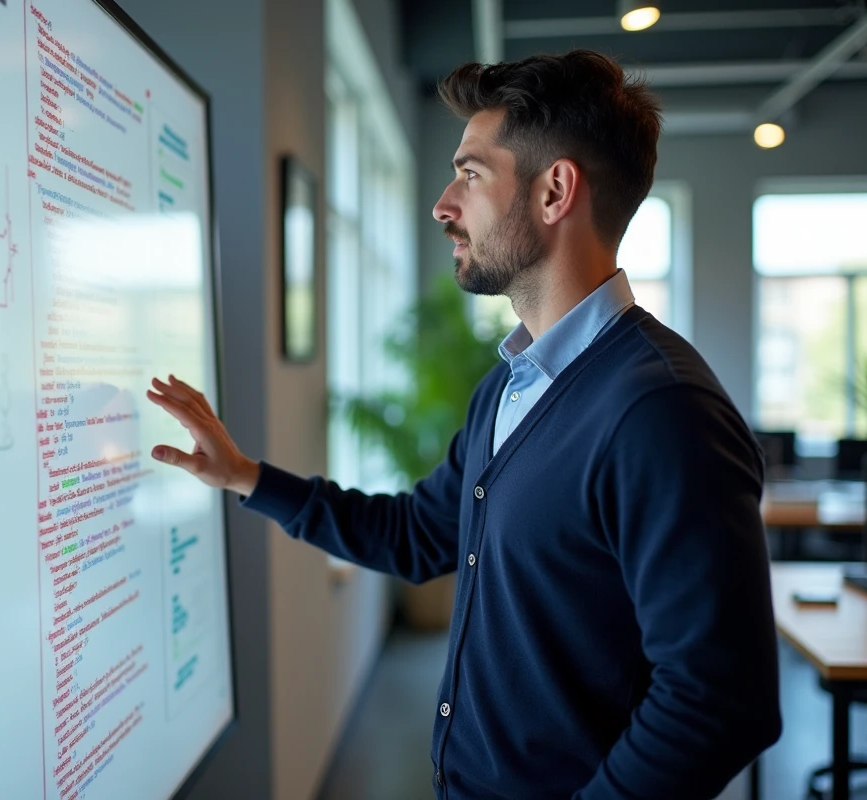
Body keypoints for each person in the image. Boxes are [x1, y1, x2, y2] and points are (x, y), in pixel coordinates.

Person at [147, 50, 781, 800]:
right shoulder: (507, 388)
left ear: (554, 192)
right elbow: (417, 535)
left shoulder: (661, 412)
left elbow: (719, 700)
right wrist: (246, 476)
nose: (443, 204)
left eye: (471, 175)